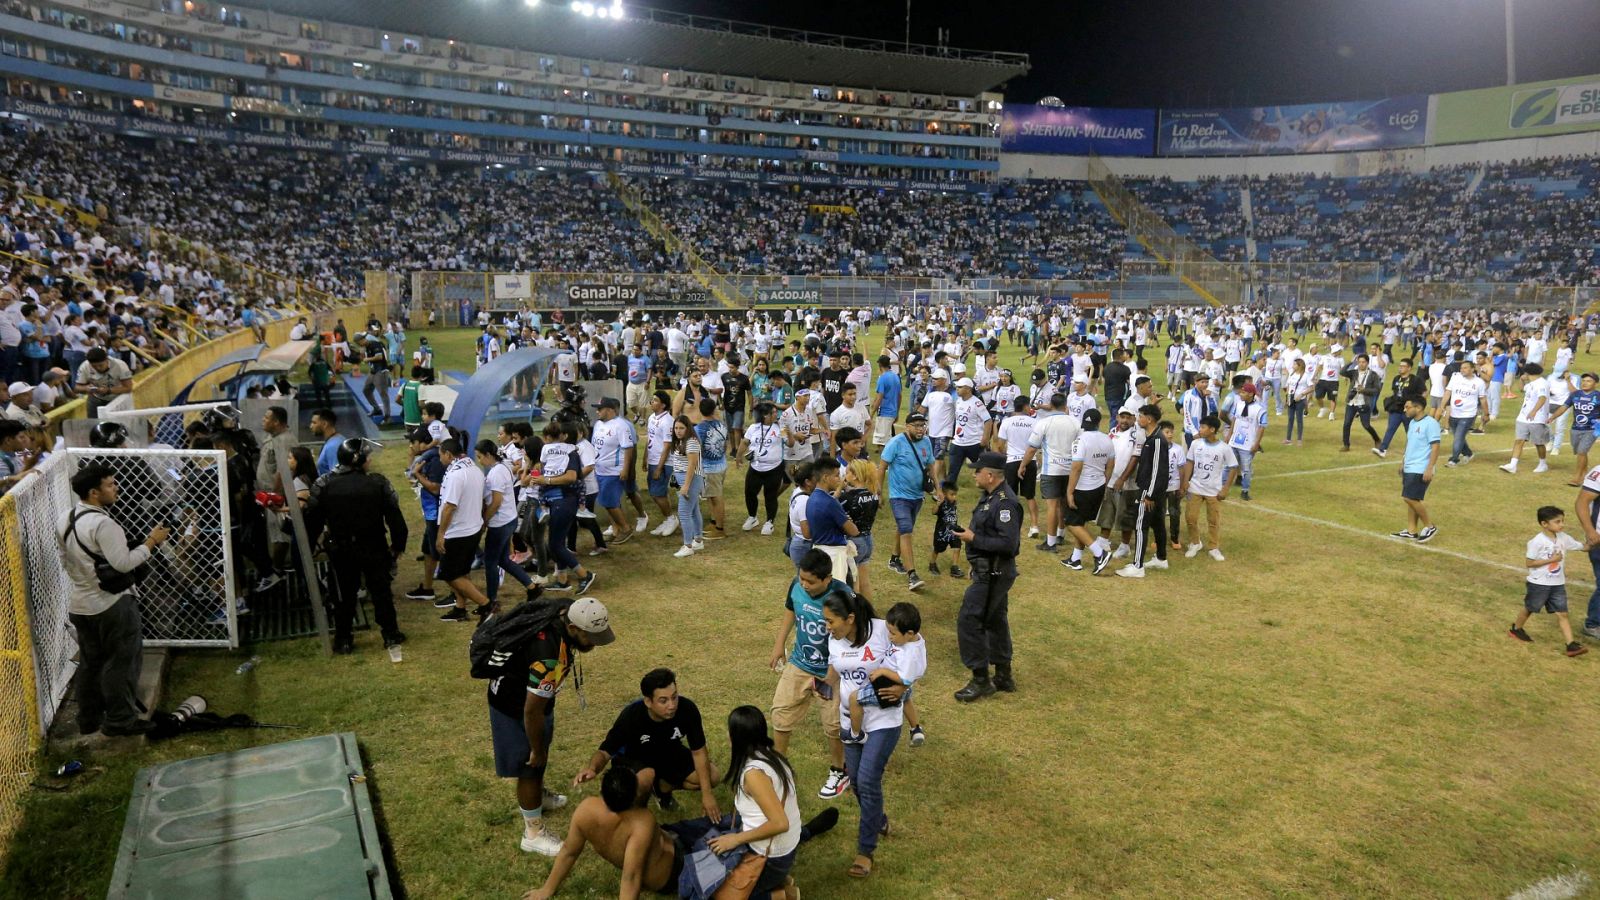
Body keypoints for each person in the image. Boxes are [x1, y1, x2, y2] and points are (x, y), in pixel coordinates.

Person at [485, 596, 615, 856]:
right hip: (515, 708)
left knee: (538, 760)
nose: (594, 644)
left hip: (534, 703)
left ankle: (537, 798)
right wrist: (536, 747)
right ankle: (533, 833)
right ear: (573, 628)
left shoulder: (565, 610)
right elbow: (532, 710)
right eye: (591, 637)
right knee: (530, 765)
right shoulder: (547, 656)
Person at [60, 463, 170, 736]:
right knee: (121, 662)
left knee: (90, 663)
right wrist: (151, 542)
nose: (116, 488)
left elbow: (66, 560)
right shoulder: (103, 523)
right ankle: (120, 720)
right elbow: (123, 563)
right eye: (110, 484)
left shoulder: (66, 518)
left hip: (81, 604)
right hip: (111, 604)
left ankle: (89, 719)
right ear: (95, 492)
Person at [823, 588, 903, 880]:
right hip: (849, 722)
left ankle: (865, 851)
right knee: (856, 783)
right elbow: (835, 675)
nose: (827, 627)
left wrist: (905, 687)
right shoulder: (834, 641)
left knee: (868, 781)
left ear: (851, 618)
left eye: (832, 621)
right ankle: (878, 819)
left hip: (883, 719)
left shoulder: (882, 631)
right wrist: (815, 685)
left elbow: (912, 653)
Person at [302, 438, 409, 654]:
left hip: (341, 550)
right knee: (381, 592)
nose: (370, 460)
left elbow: (312, 521)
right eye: (367, 457)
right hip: (374, 547)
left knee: (343, 595)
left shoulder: (323, 484)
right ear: (358, 459)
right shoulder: (378, 483)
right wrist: (398, 545)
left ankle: (344, 639)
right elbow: (396, 520)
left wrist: (311, 545)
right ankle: (390, 634)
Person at [574, 668, 720, 817]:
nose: (672, 705)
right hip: (635, 759)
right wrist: (592, 768)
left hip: (670, 753)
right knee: (644, 779)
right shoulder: (631, 716)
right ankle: (641, 805)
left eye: (674, 697)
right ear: (648, 701)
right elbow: (605, 752)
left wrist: (707, 795)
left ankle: (662, 788)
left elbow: (699, 751)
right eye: (663, 700)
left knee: (712, 776)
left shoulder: (687, 709)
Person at [767, 548, 851, 802]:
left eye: (810, 581)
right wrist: (778, 644)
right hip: (799, 664)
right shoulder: (796, 585)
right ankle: (779, 767)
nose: (804, 584)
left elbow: (849, 639)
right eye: (802, 578)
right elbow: (790, 611)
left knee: (833, 726)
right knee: (780, 714)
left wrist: (831, 675)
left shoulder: (843, 596)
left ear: (827, 579)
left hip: (831, 672)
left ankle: (840, 770)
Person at [951, 451, 1023, 700]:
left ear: (990, 476)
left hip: (994, 573)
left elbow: (1008, 544)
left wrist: (973, 539)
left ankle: (981, 680)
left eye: (978, 471)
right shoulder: (991, 497)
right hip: (988, 568)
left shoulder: (1004, 503)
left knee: (970, 620)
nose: (974, 474)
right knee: (995, 620)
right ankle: (1003, 675)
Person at [843, 601, 926, 748]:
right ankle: (916, 728)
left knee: (854, 699)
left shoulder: (909, 653)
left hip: (887, 686)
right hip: (900, 687)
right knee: (906, 699)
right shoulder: (915, 640)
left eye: (893, 633)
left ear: (909, 633)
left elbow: (905, 679)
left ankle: (855, 734)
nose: (889, 636)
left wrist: (883, 671)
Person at [1510, 506, 1589, 657]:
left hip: (1557, 584)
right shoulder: (1536, 542)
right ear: (1544, 524)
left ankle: (1571, 645)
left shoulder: (1563, 538)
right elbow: (1529, 563)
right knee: (1530, 608)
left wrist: (1593, 542)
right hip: (1539, 584)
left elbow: (1582, 547)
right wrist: (1552, 560)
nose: (1562, 525)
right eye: (1557, 522)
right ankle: (1516, 629)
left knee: (1563, 614)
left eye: (1562, 521)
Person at [534, 425, 600, 595]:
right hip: (557, 502)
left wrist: (546, 480)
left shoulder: (572, 454)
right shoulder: (556, 452)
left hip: (564, 501)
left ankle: (584, 574)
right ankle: (562, 580)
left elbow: (571, 477)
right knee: (558, 541)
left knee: (555, 544)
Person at [435, 438, 494, 622]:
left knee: (449, 574)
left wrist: (441, 534)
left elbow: (449, 506)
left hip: (458, 531)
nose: (440, 459)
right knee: (462, 571)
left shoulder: (455, 475)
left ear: (448, 454)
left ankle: (486, 605)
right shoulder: (474, 468)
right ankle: (460, 608)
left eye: (441, 455)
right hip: (473, 527)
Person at [878, 412, 935, 591]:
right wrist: (878, 492)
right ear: (907, 426)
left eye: (923, 425)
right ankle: (912, 575)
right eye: (916, 425)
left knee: (904, 528)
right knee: (906, 531)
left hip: (917, 496)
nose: (920, 429)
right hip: (899, 496)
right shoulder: (895, 443)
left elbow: (931, 466)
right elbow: (882, 468)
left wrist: (938, 490)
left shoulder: (926, 442)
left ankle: (894, 559)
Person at [477, 439, 538, 605]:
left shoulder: (496, 473)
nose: (479, 461)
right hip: (509, 519)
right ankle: (532, 587)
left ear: (489, 455)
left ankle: (491, 600)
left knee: (490, 562)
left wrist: (484, 521)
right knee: (503, 560)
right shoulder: (503, 466)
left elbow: (496, 502)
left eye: (480, 457)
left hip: (500, 523)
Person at [1118, 404, 1173, 578]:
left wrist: (1149, 494)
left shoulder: (1156, 440)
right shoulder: (1153, 437)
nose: (1138, 419)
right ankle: (1161, 558)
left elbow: (1158, 470)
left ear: (1149, 419)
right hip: (1155, 489)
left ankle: (1137, 566)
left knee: (1140, 526)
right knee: (1157, 523)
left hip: (1149, 490)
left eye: (1140, 416)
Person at [1062, 408, 1114, 575]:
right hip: (1098, 485)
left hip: (1083, 487)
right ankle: (1075, 558)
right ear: (1099, 423)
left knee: (1071, 522)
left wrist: (1069, 492)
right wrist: (1104, 481)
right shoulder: (1107, 439)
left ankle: (1100, 553)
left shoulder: (1080, 440)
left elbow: (1076, 468)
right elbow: (1110, 464)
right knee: (1081, 522)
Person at [1182, 415, 1238, 562]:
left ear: (1212, 430)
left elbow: (1233, 468)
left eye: (1203, 427)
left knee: (1213, 520)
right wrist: (1186, 481)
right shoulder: (1195, 444)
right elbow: (1189, 462)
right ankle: (1195, 543)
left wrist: (1225, 488)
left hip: (1213, 491)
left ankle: (1213, 547)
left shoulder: (1224, 448)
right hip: (1195, 487)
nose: (1200, 430)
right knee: (1190, 517)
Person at [589, 398, 637, 545]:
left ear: (609, 410)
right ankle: (616, 529)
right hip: (599, 469)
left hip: (613, 471)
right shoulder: (598, 424)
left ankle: (626, 528)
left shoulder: (621, 425)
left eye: (600, 408)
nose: (597, 411)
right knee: (606, 501)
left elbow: (628, 448)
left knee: (609, 502)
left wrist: (625, 469)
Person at [1393, 398, 1442, 543]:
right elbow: (1410, 444)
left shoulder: (1431, 424)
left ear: (1418, 407)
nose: (1404, 409)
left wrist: (1429, 467)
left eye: (1407, 407)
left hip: (1420, 468)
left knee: (1409, 497)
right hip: (1410, 466)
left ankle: (1430, 526)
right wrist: (1403, 461)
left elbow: (1435, 447)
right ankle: (1411, 530)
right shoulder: (1413, 423)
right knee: (1412, 499)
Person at [742, 402, 786, 534]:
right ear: (765, 415)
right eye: (773, 413)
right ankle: (752, 517)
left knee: (770, 495)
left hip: (774, 467)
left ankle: (769, 522)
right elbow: (745, 442)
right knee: (749, 493)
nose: (775, 415)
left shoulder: (779, 427)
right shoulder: (753, 428)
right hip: (755, 467)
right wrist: (739, 457)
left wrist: (788, 434)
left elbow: (789, 443)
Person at [1501, 363, 1553, 475]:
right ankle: (1513, 465)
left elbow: (1542, 398)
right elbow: (1521, 389)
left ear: (1527, 372)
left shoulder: (1542, 384)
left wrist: (1534, 411)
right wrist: (1521, 380)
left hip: (1537, 418)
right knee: (1519, 440)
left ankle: (1543, 463)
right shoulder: (1531, 384)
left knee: (1539, 442)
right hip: (1523, 417)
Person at [1552, 373, 1600, 487]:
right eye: (1583, 380)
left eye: (1589, 381)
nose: (1585, 383)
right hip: (1575, 429)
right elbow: (1564, 407)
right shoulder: (1575, 395)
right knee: (1580, 452)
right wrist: (1552, 417)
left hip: (1591, 429)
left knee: (1582, 451)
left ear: (1595, 383)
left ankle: (1578, 478)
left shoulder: (1598, 396)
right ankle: (1584, 473)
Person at [667, 414, 704, 558]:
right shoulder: (682, 441)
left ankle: (688, 545)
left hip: (691, 479)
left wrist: (686, 486)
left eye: (681, 428)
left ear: (688, 428)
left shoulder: (691, 442)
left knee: (683, 512)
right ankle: (698, 539)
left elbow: (692, 465)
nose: (678, 431)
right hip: (685, 478)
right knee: (694, 510)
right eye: (676, 428)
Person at [1340, 354, 1382, 452]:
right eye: (1359, 362)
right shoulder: (1354, 373)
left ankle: (1377, 439)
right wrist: (1351, 362)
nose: (1361, 364)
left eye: (1363, 362)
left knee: (1366, 425)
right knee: (1346, 424)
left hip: (1364, 402)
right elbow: (1342, 372)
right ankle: (1346, 445)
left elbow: (1376, 390)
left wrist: (1364, 390)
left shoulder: (1373, 375)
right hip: (1352, 401)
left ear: (1367, 363)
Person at [75, 347, 133, 416]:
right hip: (96, 399)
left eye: (100, 365)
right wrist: (86, 388)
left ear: (107, 360)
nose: (98, 368)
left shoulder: (120, 365)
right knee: (94, 423)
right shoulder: (84, 366)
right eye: (94, 366)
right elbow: (77, 387)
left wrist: (109, 390)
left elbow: (128, 388)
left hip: (117, 399)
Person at [929, 481, 964, 578]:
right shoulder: (942, 503)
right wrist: (938, 504)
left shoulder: (954, 503)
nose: (954, 497)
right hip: (942, 532)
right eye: (952, 494)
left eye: (955, 494)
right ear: (944, 494)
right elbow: (933, 512)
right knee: (938, 549)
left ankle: (954, 567)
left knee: (957, 547)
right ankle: (932, 564)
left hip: (953, 531)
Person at [310, 408, 343, 477]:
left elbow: (337, 476)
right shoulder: (334, 440)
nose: (311, 426)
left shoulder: (334, 446)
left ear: (325, 424)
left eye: (314, 423)